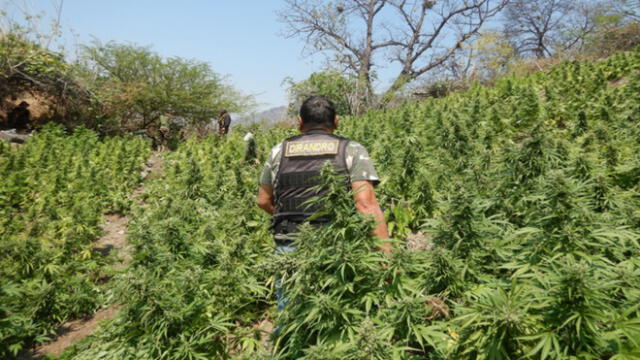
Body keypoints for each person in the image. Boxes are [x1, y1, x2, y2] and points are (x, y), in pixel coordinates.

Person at [256, 95, 391, 314]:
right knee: (337, 314)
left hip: (289, 242)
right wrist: (386, 259)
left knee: (291, 317)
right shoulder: (351, 150)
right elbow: (366, 206)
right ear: (336, 121)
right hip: (337, 246)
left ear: (300, 122)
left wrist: (286, 215)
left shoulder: (278, 151)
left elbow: (263, 200)